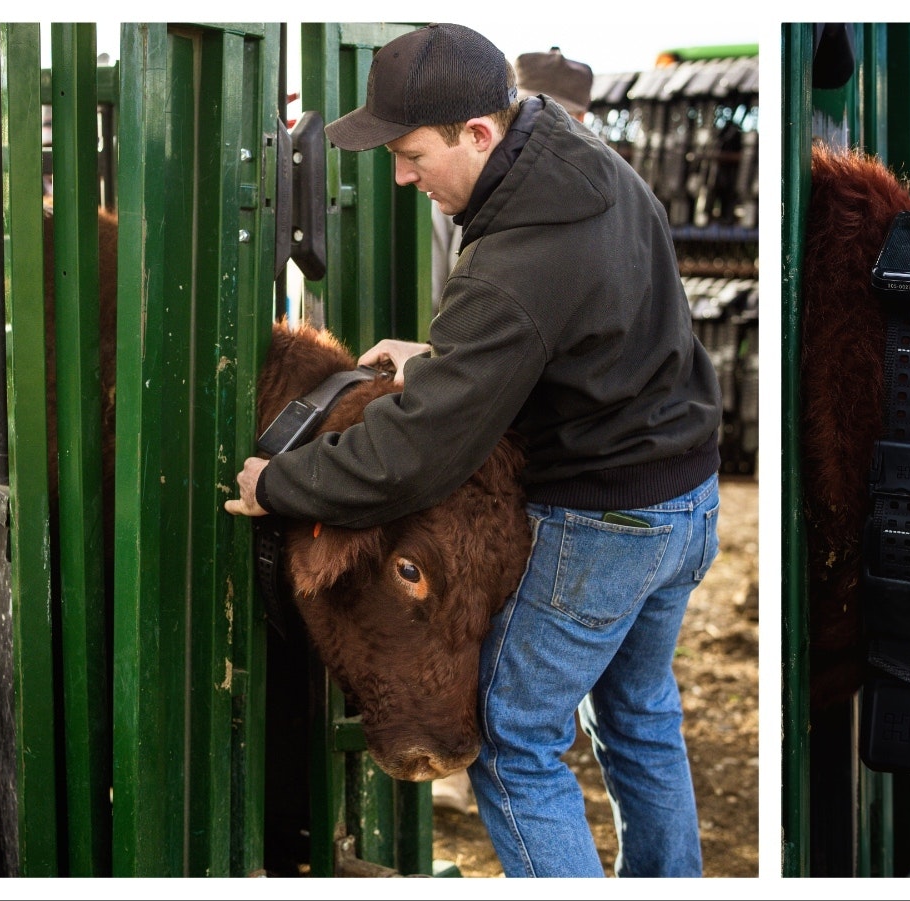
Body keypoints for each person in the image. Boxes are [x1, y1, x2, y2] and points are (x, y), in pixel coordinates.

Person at [225, 22, 723, 878]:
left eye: (412, 153)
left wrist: (287, 484)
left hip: (607, 518)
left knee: (513, 743)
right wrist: (452, 361)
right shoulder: (580, 158)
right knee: (640, 717)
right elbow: (596, 324)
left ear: (480, 134)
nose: (402, 174)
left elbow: (416, 452)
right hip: (688, 496)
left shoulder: (513, 258)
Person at [430, 45, 595, 310]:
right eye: (534, 111)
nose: (542, 127)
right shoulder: (461, 180)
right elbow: (436, 285)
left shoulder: (609, 189)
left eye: (555, 115)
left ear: (581, 119)